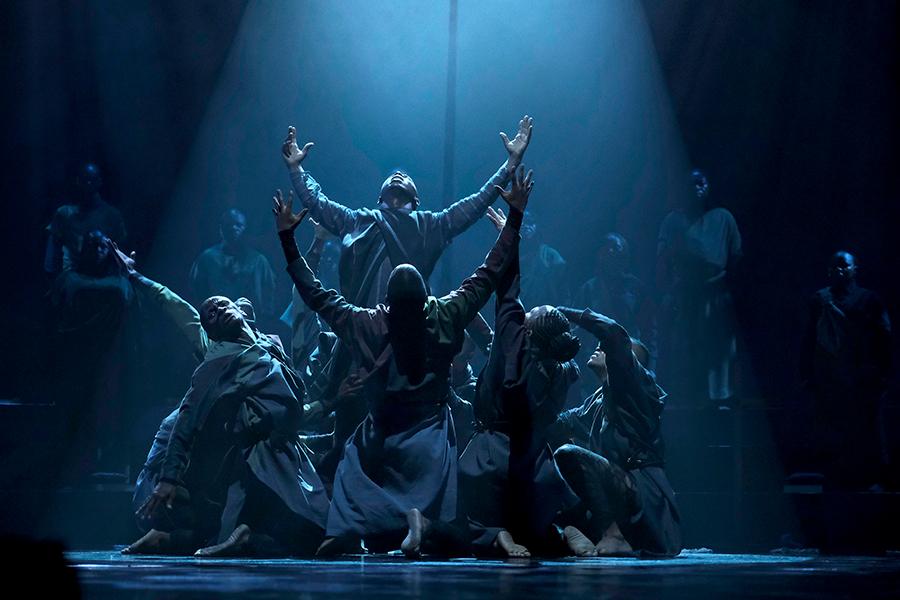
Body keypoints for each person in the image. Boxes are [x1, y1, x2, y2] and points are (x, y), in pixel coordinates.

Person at [273, 164, 533, 557]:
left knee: (353, 466)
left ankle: (344, 528)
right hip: (427, 433)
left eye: (404, 188)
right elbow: (489, 271)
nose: (396, 179)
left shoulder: (367, 321)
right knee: (442, 507)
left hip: (384, 425)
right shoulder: (444, 312)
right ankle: (423, 525)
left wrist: (288, 239)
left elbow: (314, 292)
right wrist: (514, 215)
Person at [280, 115, 534, 481]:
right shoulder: (360, 221)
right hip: (365, 332)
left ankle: (417, 496)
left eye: (404, 188)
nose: (397, 181)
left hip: (412, 337)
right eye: (390, 187)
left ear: (416, 202)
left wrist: (509, 166)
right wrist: (295, 172)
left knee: (412, 424)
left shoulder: (430, 226)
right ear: (379, 198)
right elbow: (319, 206)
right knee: (350, 425)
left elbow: (475, 204)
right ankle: (346, 502)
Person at [122, 294, 329, 557]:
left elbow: (290, 405)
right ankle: (221, 533)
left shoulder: (269, 344)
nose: (219, 309)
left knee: (305, 530)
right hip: (251, 450)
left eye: (222, 303)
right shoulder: (217, 363)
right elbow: (188, 418)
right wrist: (168, 478)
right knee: (300, 529)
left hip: (278, 445)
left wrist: (328, 406)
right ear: (213, 332)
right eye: (211, 313)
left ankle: (171, 538)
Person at [458, 206, 583, 557]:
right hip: (532, 461)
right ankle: (562, 529)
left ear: (526, 334)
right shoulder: (559, 371)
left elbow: (507, 290)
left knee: (461, 514)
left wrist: (508, 234)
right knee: (533, 518)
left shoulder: (513, 356)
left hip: (492, 455)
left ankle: (496, 536)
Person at [552, 308, 682, 558]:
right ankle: (571, 528)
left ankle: (616, 533)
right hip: (616, 491)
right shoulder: (597, 401)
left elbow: (612, 334)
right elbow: (556, 424)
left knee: (568, 454)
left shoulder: (638, 390)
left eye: (610, 350)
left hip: (640, 490)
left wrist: (566, 314)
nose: (600, 348)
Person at [798, 251, 892, 489]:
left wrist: (883, 374)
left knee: (867, 429)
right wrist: (807, 374)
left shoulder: (869, 300)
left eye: (845, 266)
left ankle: (872, 478)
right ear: (829, 270)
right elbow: (809, 339)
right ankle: (837, 479)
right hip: (831, 378)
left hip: (862, 377)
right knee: (834, 429)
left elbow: (884, 338)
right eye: (836, 266)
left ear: (855, 268)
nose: (840, 270)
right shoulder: (820, 300)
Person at [50, 230, 136, 476]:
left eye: (102, 247)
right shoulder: (71, 278)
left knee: (108, 405)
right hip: (79, 352)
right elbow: (69, 294)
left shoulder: (118, 279)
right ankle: (78, 460)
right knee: (80, 405)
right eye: (93, 246)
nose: (98, 251)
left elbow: (125, 294)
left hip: (109, 352)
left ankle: (107, 458)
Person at [657, 169, 741, 406]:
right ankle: (686, 397)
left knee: (719, 347)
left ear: (708, 186)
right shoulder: (673, 220)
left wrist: (727, 288)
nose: (697, 188)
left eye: (701, 183)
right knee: (685, 345)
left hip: (716, 292)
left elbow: (736, 255)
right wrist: (666, 292)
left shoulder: (723, 217)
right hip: (685, 291)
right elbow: (663, 258)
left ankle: (721, 396)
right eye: (691, 184)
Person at [576, 232, 656, 371]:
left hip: (629, 360)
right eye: (608, 253)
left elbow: (648, 328)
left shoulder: (636, 288)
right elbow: (578, 330)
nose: (613, 258)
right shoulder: (588, 289)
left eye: (618, 254)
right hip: (596, 362)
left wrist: (651, 365)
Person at [190, 208, 277, 319]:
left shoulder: (258, 261)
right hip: (214, 322)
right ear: (221, 228)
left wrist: (265, 320)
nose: (233, 228)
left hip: (249, 323)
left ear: (245, 228)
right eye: (229, 224)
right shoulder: (207, 258)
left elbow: (268, 293)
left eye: (238, 225)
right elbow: (196, 291)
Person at [45, 162, 127, 274]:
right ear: (78, 181)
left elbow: (120, 249)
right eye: (85, 180)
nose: (89, 184)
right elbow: (53, 249)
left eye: (92, 180)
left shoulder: (112, 215)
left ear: (99, 182)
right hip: (72, 278)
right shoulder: (64, 214)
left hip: (104, 278)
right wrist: (51, 273)